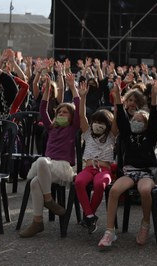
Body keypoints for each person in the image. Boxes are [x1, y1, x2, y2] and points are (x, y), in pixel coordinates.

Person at [98, 80, 157, 248]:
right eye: (135, 119)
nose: (136, 121)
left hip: (146, 172)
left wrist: (154, 96)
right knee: (114, 191)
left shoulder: (150, 135)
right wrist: (118, 95)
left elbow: (154, 117)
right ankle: (110, 231)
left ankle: (145, 224)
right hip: (129, 172)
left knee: (145, 190)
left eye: (141, 120)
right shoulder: (127, 134)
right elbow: (121, 118)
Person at [19, 73, 80, 238]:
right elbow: (42, 109)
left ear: (72, 117)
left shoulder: (72, 127)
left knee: (40, 163)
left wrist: (73, 87)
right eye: (59, 113)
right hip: (48, 167)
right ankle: (38, 220)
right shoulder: (52, 127)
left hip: (63, 167)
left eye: (65, 113)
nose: (61, 115)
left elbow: (78, 106)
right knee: (34, 181)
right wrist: (46, 90)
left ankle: (47, 202)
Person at [74, 81, 118, 234]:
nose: (98, 125)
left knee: (101, 184)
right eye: (96, 122)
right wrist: (83, 97)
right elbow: (81, 115)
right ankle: (91, 215)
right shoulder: (87, 135)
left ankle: (88, 215)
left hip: (104, 169)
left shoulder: (111, 136)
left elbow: (117, 120)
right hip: (88, 168)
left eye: (102, 123)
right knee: (79, 181)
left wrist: (117, 98)